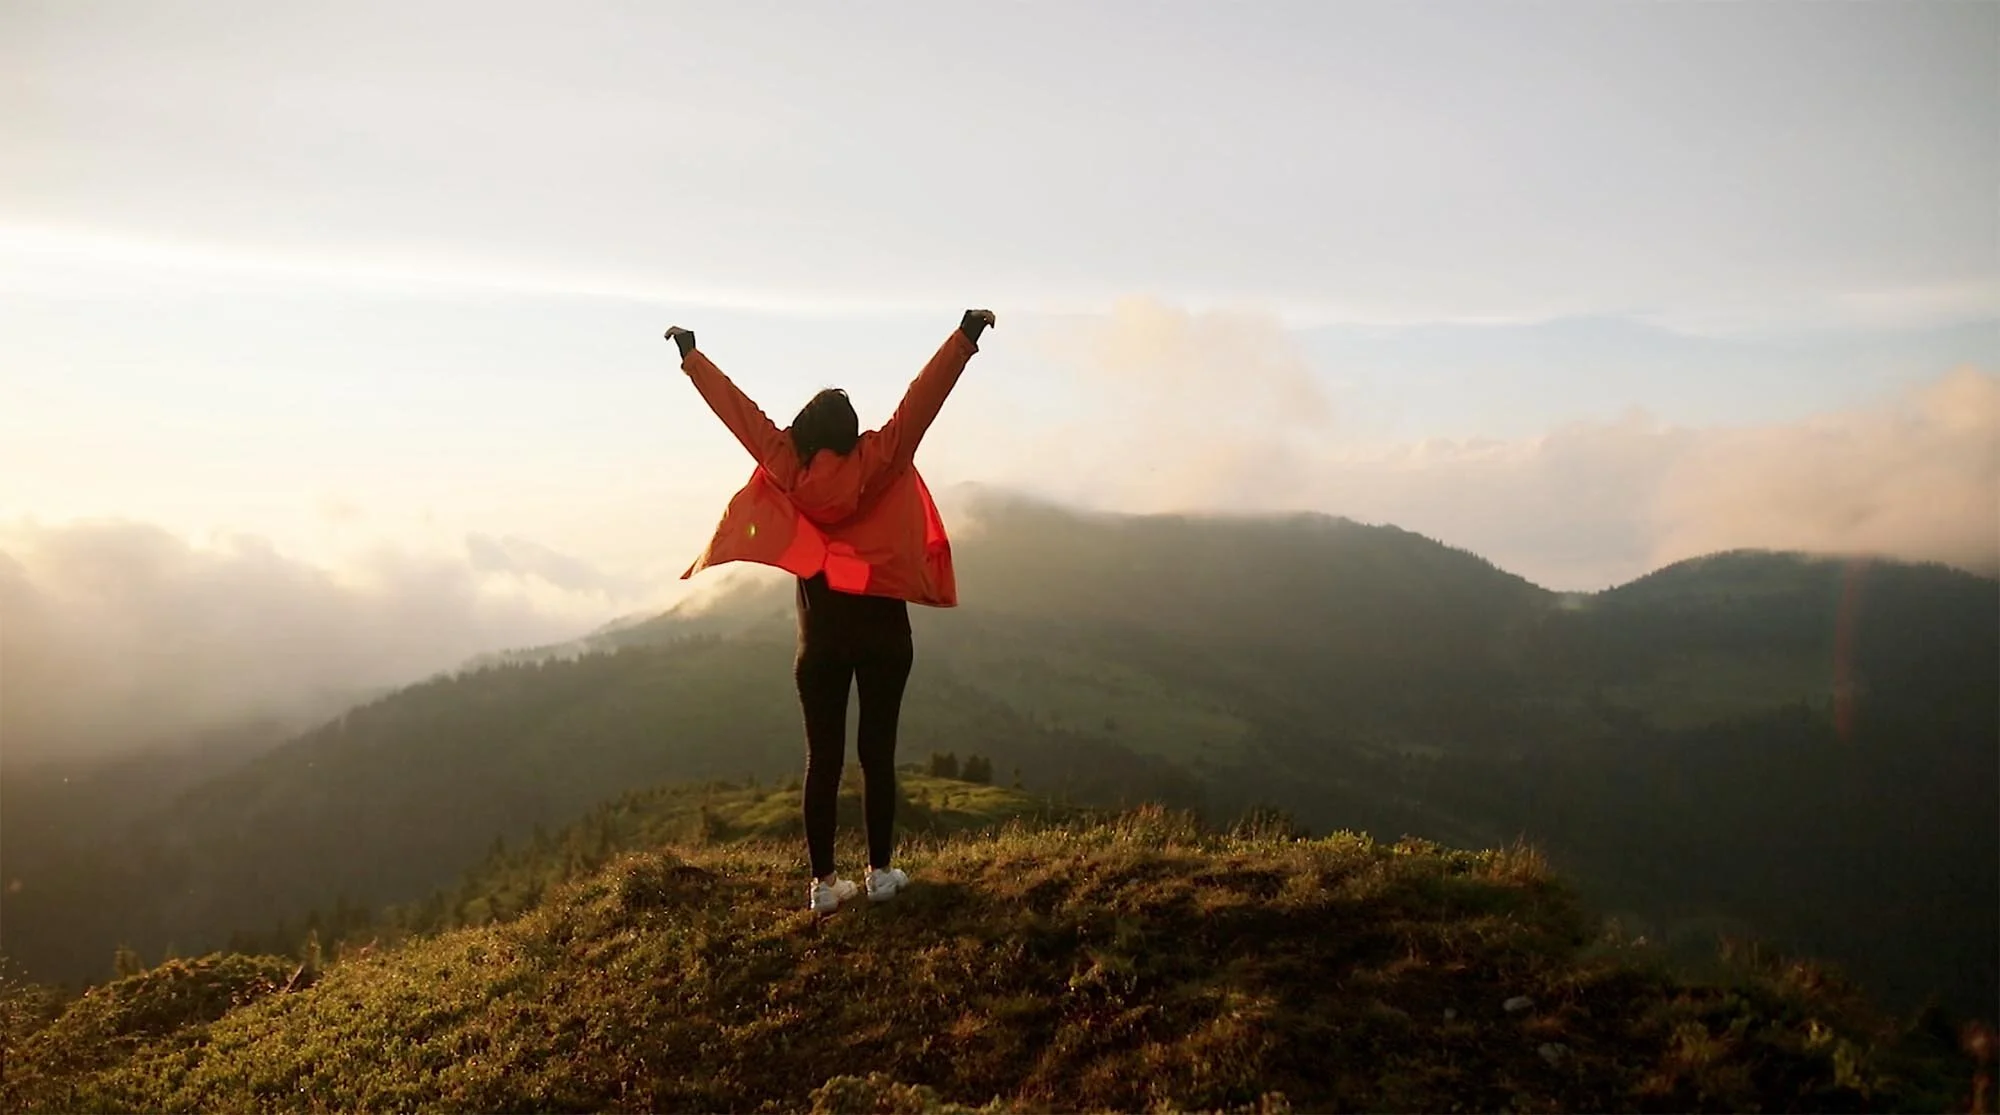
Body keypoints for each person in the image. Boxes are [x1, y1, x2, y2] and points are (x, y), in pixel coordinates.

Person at [667, 309, 995, 914]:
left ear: (806, 431)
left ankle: (822, 886)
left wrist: (692, 357)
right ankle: (881, 874)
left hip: (818, 644)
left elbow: (742, 417)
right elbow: (922, 401)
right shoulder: (882, 459)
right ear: (849, 433)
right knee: (877, 756)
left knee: (822, 761)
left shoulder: (788, 467)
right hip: (885, 639)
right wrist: (965, 336)